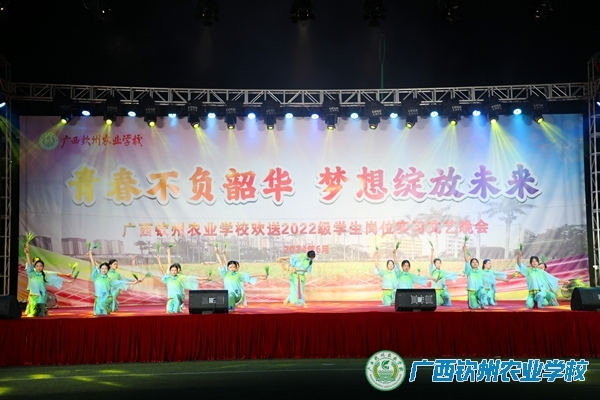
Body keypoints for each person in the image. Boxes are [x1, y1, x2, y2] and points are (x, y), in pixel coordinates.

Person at [24, 244, 71, 317]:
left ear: (43, 267)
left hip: (42, 296)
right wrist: (27, 253)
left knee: (42, 313)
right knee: (33, 313)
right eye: (37, 265)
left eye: (40, 266)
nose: (39, 267)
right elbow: (29, 265)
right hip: (34, 295)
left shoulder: (44, 274)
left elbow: (55, 276)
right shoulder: (32, 273)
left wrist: (67, 279)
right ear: (34, 266)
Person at [157, 246, 209, 313]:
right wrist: (159, 259)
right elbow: (164, 267)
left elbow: (191, 278)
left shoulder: (180, 277)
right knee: (169, 311)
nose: (174, 271)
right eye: (172, 270)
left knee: (176, 309)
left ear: (177, 271)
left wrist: (203, 278)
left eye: (175, 270)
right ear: (170, 271)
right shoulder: (168, 278)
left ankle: (179, 306)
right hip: (171, 299)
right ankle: (177, 307)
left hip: (178, 298)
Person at [88, 251, 136, 316]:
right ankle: (107, 309)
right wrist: (90, 255)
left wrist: (133, 282)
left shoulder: (109, 279)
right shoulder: (96, 276)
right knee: (98, 312)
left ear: (108, 270)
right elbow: (94, 265)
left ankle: (108, 309)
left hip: (108, 297)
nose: (104, 270)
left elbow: (121, 282)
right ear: (100, 269)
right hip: (99, 298)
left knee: (101, 309)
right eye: (102, 268)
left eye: (106, 269)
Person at [462, 245, 487, 309]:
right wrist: (464, 251)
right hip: (472, 289)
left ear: (478, 264)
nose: (475, 263)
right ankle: (475, 304)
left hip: (479, 288)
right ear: (470, 264)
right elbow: (466, 261)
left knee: (482, 293)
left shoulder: (480, 271)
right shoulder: (469, 270)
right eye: (473, 262)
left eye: (476, 262)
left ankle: (483, 304)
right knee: (474, 307)